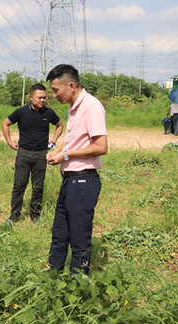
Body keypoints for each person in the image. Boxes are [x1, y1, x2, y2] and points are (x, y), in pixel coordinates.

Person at [45, 64, 108, 275]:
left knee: (79, 237)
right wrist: (58, 151)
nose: (54, 95)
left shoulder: (91, 106)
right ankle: (53, 276)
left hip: (83, 180)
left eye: (56, 90)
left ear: (71, 86)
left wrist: (66, 155)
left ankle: (77, 284)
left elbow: (101, 147)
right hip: (70, 180)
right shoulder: (74, 107)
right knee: (60, 233)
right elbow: (73, 141)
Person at [2, 83, 63, 225]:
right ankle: (14, 215)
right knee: (19, 185)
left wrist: (53, 142)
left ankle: (35, 215)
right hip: (23, 153)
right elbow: (5, 123)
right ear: (31, 97)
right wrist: (10, 142)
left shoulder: (49, 113)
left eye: (44, 98)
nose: (42, 100)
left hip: (41, 154)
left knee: (38, 186)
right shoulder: (21, 112)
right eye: (39, 98)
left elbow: (60, 125)